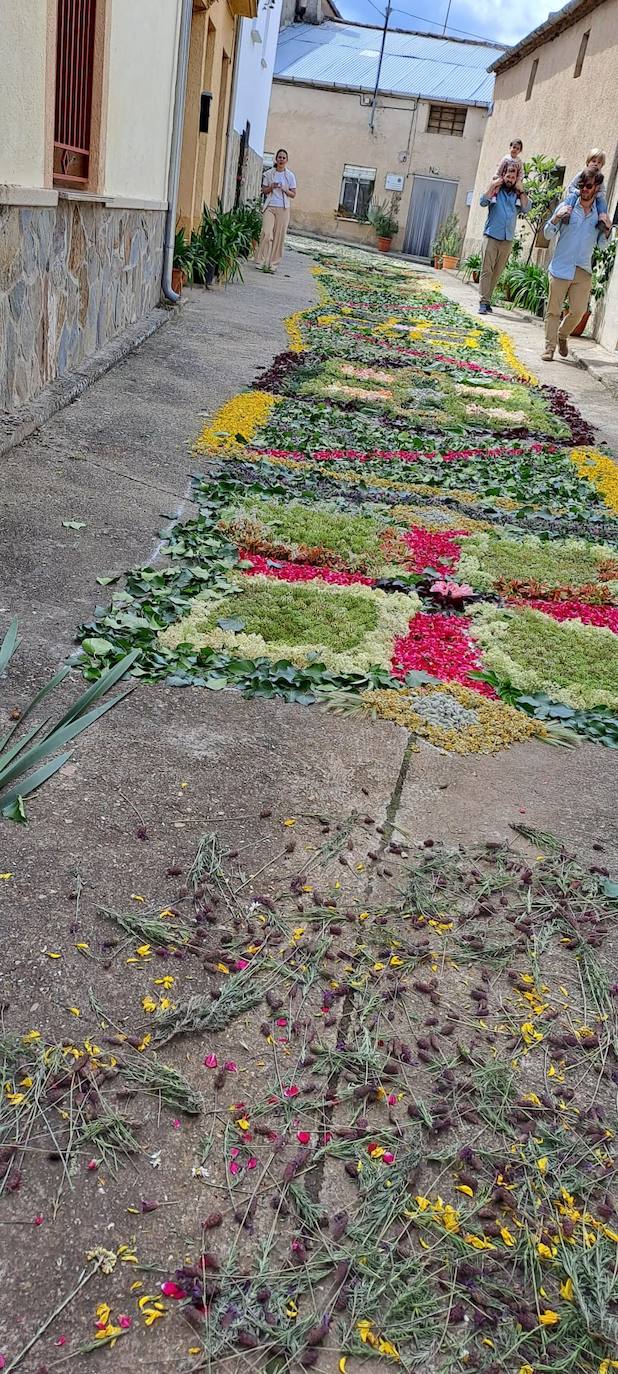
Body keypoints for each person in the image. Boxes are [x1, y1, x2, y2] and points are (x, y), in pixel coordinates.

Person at [542, 169, 610, 361]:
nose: (584, 190)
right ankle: (549, 348)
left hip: (583, 270)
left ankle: (562, 335)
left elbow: (603, 246)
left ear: (596, 189)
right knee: (553, 311)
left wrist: (607, 229)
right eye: (581, 185)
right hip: (560, 268)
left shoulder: (599, 215)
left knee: (579, 311)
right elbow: (548, 234)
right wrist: (556, 217)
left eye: (589, 186)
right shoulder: (567, 207)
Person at [478, 161, 529, 315]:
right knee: (487, 270)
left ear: (516, 179)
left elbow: (526, 209)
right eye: (508, 176)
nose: (510, 179)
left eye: (513, 177)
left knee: (497, 272)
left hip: (507, 239)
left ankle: (488, 299)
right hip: (492, 235)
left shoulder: (517, 195)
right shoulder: (496, 191)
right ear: (503, 176)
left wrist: (522, 192)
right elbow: (482, 201)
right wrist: (492, 186)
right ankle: (483, 301)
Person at [254, 149, 297, 273]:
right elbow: (264, 190)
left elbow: (293, 194)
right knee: (266, 233)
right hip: (270, 206)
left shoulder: (290, 176)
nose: (281, 160)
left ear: (286, 160)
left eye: (284, 158)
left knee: (279, 237)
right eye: (279, 157)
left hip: (283, 209)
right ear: (276, 159)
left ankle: (273, 264)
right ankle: (260, 261)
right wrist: (271, 187)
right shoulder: (269, 174)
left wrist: (285, 189)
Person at [564, 149, 612, 232]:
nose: (596, 164)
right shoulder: (581, 174)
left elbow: (603, 192)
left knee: (602, 201)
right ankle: (567, 212)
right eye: (594, 161)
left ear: (602, 165)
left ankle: (602, 218)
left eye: (599, 162)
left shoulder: (600, 178)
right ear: (588, 162)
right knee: (572, 196)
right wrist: (578, 192)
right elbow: (571, 187)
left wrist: (595, 195)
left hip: (593, 198)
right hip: (579, 195)